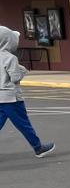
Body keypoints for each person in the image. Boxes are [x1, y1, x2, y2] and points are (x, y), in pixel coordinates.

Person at [0, 26, 54, 157]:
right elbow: (15, 78)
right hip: (11, 98)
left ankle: (38, 147)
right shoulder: (10, 58)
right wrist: (22, 71)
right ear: (9, 41)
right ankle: (38, 148)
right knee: (24, 124)